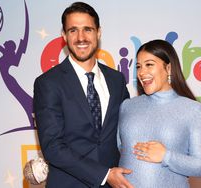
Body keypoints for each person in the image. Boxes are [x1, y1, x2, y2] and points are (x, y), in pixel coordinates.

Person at [33, 2, 133, 187]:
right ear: (64, 35)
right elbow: (53, 147)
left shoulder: (116, 80)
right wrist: (104, 174)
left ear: (98, 32)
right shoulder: (48, 83)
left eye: (87, 29)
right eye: (73, 30)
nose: (81, 37)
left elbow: (129, 130)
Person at [117, 39, 201, 187]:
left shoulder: (194, 110)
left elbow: (200, 166)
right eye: (138, 66)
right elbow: (118, 151)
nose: (142, 72)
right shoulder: (127, 106)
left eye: (149, 64)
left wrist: (166, 156)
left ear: (168, 68)